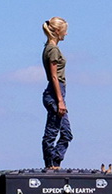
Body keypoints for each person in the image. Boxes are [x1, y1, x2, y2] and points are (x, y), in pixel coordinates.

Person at [41, 17, 72, 170]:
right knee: (52, 132)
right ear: (58, 31)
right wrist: (60, 100)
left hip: (58, 91)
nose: (66, 34)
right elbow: (54, 76)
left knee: (66, 133)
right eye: (65, 31)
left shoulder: (51, 48)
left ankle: (55, 163)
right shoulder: (52, 50)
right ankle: (50, 164)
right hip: (55, 92)